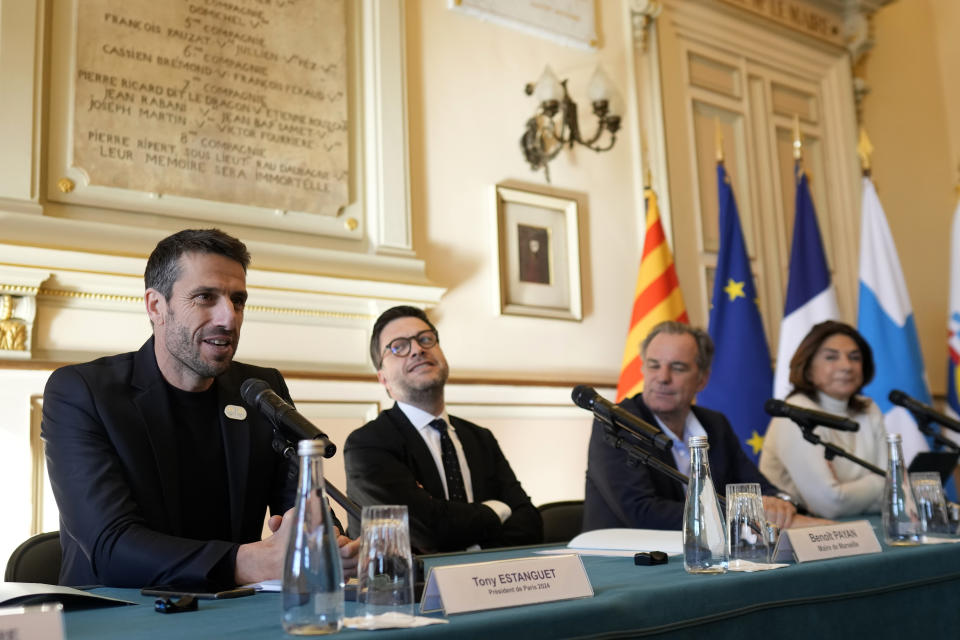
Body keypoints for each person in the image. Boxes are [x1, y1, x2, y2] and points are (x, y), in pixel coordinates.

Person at [41, 229, 359, 588]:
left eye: (237, 301)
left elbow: (301, 506)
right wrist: (254, 561)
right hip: (119, 615)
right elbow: (110, 546)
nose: (229, 318)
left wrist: (328, 543)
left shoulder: (259, 390)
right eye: (206, 297)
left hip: (233, 612)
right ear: (156, 306)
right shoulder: (82, 392)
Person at [344, 306, 543, 553]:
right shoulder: (367, 444)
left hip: (493, 584)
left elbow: (530, 524)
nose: (417, 349)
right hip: (411, 590)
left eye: (425, 339)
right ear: (382, 377)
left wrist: (468, 541)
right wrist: (497, 510)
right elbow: (426, 532)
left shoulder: (481, 438)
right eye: (398, 346)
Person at [583, 321, 798, 531]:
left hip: (705, 556)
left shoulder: (715, 425)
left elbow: (758, 487)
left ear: (702, 379)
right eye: (654, 365)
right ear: (643, 369)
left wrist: (781, 503)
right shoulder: (615, 424)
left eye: (677, 368)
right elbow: (642, 513)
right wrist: (744, 512)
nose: (662, 378)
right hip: (625, 559)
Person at [759, 321, 887, 519]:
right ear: (808, 368)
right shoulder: (794, 414)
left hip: (866, 528)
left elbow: (894, 494)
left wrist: (851, 491)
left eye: (854, 357)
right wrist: (881, 483)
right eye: (831, 357)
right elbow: (829, 505)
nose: (846, 366)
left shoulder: (869, 409)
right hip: (805, 536)